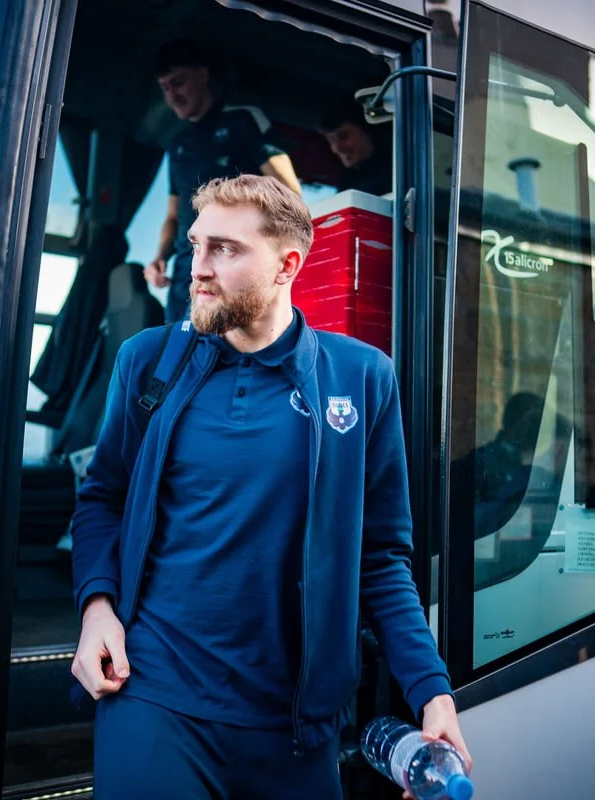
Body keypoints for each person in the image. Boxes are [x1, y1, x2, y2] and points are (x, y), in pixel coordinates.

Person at [71, 175, 471, 798]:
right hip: (152, 693)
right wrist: (97, 609)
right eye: (197, 246)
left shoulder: (362, 378)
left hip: (296, 725)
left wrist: (432, 691)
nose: (198, 269)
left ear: (287, 266)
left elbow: (382, 558)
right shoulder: (146, 360)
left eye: (226, 249)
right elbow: (102, 499)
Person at [144, 38, 302, 324]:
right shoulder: (176, 144)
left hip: (232, 266)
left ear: (202, 75)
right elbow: (173, 215)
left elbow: (289, 194)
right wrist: (159, 257)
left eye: (178, 82)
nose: (172, 96)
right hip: (185, 272)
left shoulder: (243, 120)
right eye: (165, 88)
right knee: (176, 357)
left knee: (218, 357)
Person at [318, 100, 393, 196]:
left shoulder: (396, 171)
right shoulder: (347, 181)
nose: (337, 148)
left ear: (367, 131)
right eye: (332, 141)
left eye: (343, 136)